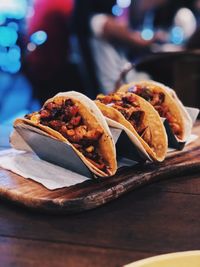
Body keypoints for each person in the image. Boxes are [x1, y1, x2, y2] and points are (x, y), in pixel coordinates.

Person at [73, 0, 168, 94]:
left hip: (125, 82)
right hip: (112, 92)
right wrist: (149, 38)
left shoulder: (111, 21)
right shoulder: (98, 21)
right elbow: (109, 26)